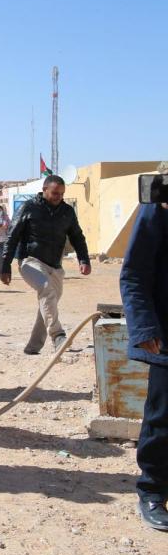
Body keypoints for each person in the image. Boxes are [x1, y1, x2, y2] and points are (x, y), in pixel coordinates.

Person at [0, 175, 91, 354]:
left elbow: (77, 237)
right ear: (44, 190)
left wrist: (84, 259)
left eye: (62, 194)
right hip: (30, 261)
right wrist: (5, 265)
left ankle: (33, 347)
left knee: (49, 303)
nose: (59, 197)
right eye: (55, 193)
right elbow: (13, 235)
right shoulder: (29, 207)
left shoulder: (67, 211)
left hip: (55, 266)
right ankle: (58, 336)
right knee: (46, 290)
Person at [120, 200, 168, 532]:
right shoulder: (158, 207)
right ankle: (152, 490)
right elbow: (134, 273)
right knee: (163, 416)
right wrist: (144, 328)